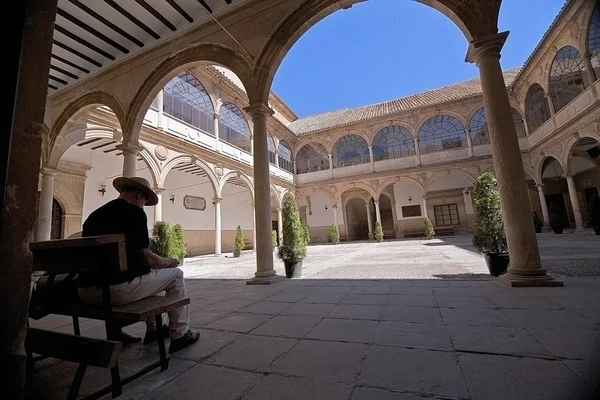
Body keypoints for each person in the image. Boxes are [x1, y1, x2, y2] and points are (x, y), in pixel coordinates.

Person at [77, 177, 199, 353]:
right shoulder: (134, 213)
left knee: (148, 276)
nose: (143, 205)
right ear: (138, 195)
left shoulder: (94, 215)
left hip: (85, 291)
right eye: (145, 201)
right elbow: (147, 259)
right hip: (114, 291)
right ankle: (180, 334)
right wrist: (168, 262)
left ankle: (153, 330)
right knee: (175, 275)